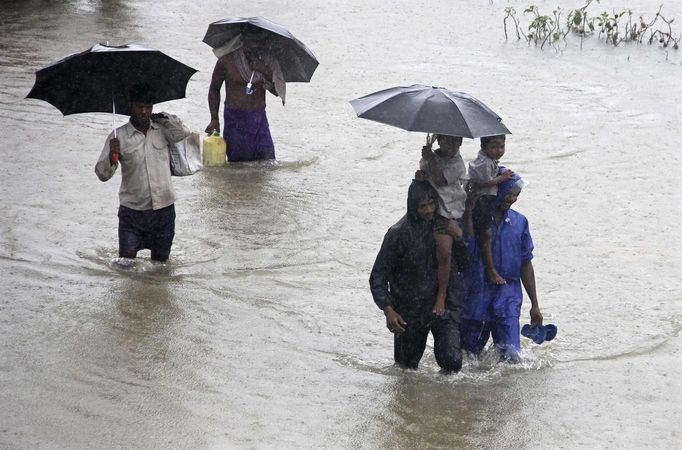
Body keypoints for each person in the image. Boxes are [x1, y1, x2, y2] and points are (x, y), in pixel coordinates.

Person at [369, 179, 463, 373]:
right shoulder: (397, 234)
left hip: (444, 306)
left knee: (452, 364)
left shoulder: (445, 227)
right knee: (406, 370)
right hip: (409, 311)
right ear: (412, 206)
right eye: (422, 206)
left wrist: (460, 238)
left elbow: (465, 263)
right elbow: (377, 277)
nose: (429, 210)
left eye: (432, 204)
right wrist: (388, 310)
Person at [95, 83, 190, 262]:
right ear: (131, 106)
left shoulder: (163, 130)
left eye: (148, 107)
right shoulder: (118, 137)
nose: (144, 112)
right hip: (132, 213)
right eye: (139, 107)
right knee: (126, 265)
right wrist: (111, 155)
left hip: (164, 210)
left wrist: (163, 117)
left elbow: (183, 133)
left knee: (161, 267)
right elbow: (102, 175)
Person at [460, 169, 543, 362]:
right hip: (475, 295)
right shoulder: (474, 219)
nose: (512, 199)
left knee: (512, 358)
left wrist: (535, 304)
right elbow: (462, 251)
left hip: (508, 296)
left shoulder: (519, 222)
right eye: (508, 194)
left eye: (516, 196)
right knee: (466, 358)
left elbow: (526, 263)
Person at [204, 35, 284, 162]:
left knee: (268, 164)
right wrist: (214, 119)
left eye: (259, 42)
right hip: (235, 122)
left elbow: (277, 91)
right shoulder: (226, 61)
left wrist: (262, 69)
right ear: (243, 41)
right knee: (238, 168)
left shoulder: (266, 63)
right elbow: (214, 89)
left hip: (259, 121)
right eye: (252, 41)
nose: (256, 46)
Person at [415, 134, 467, 317]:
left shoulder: (458, 163)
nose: (450, 145)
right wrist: (423, 168)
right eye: (445, 140)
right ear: (439, 141)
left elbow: (439, 180)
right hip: (431, 206)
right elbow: (424, 174)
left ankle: (441, 296)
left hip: (447, 212)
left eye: (455, 141)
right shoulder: (433, 156)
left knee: (444, 253)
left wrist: (430, 159)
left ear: (461, 142)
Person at [467, 134, 515, 285]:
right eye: (494, 147)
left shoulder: (489, 161)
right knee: (486, 234)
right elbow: (485, 182)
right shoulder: (484, 163)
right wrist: (503, 178)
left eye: (501, 146)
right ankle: (491, 269)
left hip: (484, 199)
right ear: (483, 147)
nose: (498, 150)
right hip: (481, 200)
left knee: (485, 233)